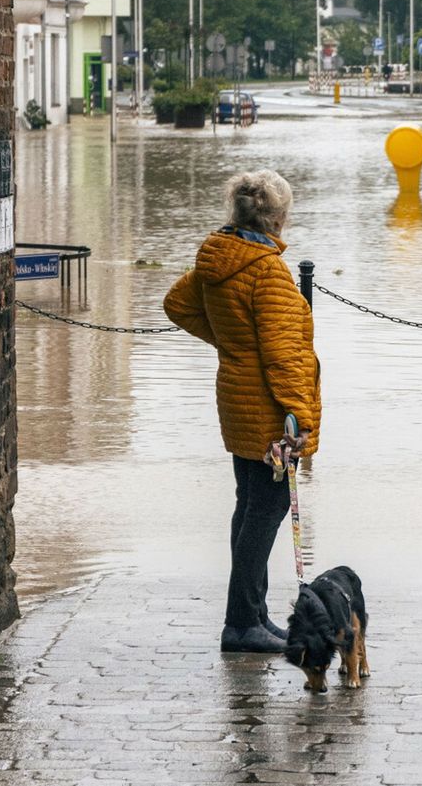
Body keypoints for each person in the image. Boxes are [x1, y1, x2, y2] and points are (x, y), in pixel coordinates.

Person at [164, 170, 322, 652]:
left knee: (249, 504)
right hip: (270, 409)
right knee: (266, 510)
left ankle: (253, 614)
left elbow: (177, 304)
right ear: (278, 217)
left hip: (236, 399)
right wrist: (301, 420)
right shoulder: (267, 269)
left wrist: (232, 346)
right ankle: (240, 624)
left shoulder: (219, 258)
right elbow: (282, 354)